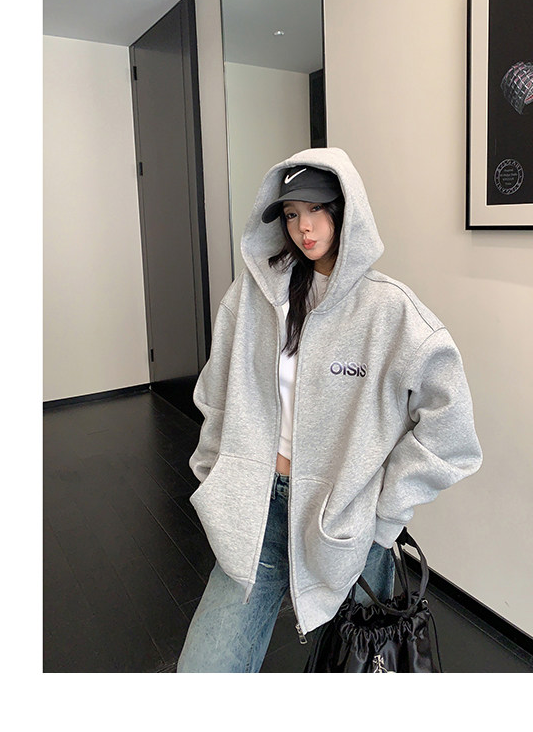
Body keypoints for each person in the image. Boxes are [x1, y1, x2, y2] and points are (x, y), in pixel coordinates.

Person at [177, 147, 482, 673]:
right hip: (258, 508)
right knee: (205, 669)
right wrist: (216, 474)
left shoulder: (390, 310)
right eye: (291, 214)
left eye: (316, 210)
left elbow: (451, 433)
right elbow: (216, 392)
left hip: (347, 524)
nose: (304, 227)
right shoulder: (252, 297)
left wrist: (383, 515)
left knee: (359, 667)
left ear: (345, 210)